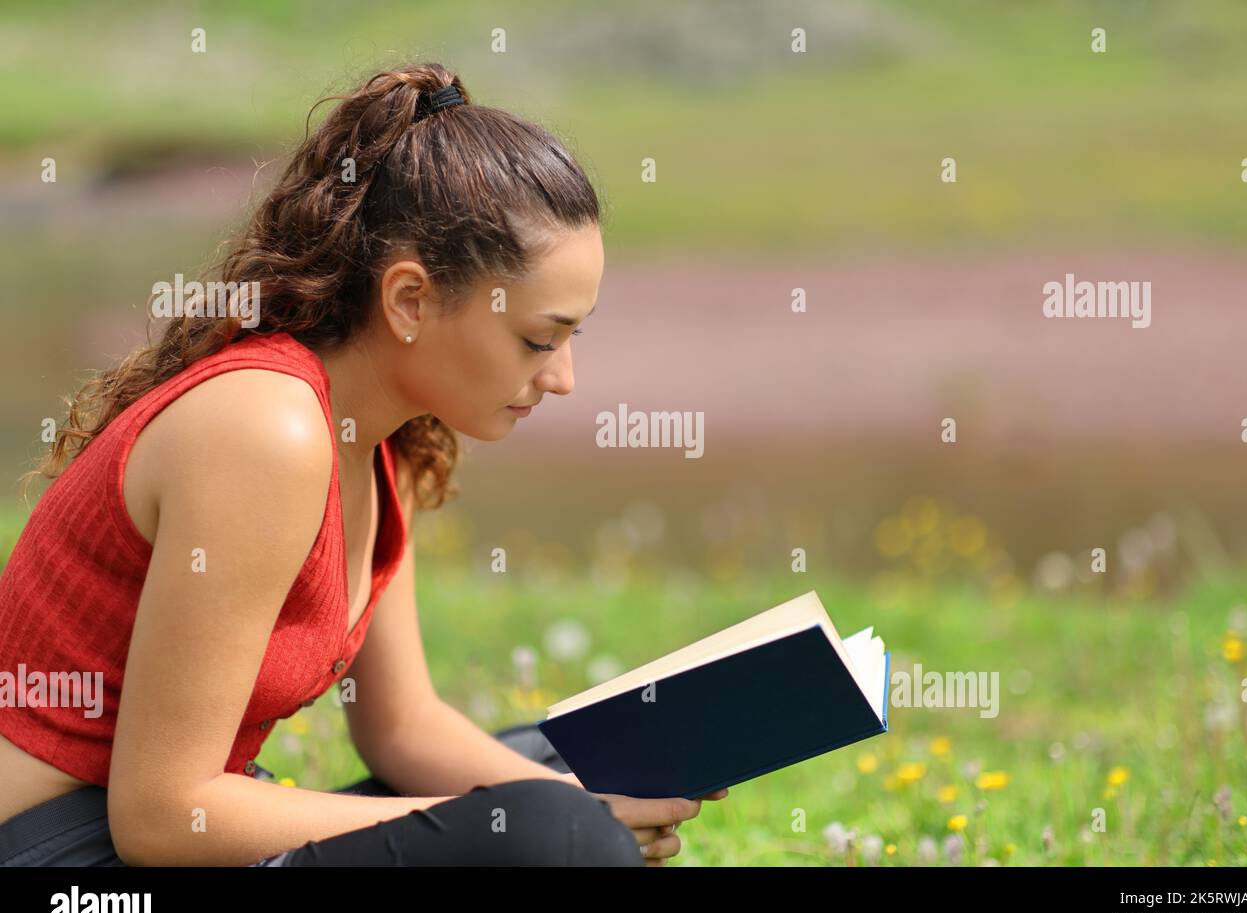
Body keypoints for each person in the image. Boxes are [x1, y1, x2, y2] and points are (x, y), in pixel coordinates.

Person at [0, 62, 725, 867]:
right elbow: (165, 818)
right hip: (70, 868)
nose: (561, 378)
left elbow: (402, 726)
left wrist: (583, 801)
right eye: (536, 340)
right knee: (551, 830)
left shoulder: (390, 443)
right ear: (410, 300)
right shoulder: (264, 430)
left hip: (165, 833)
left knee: (565, 770)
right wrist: (539, 825)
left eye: (569, 339)